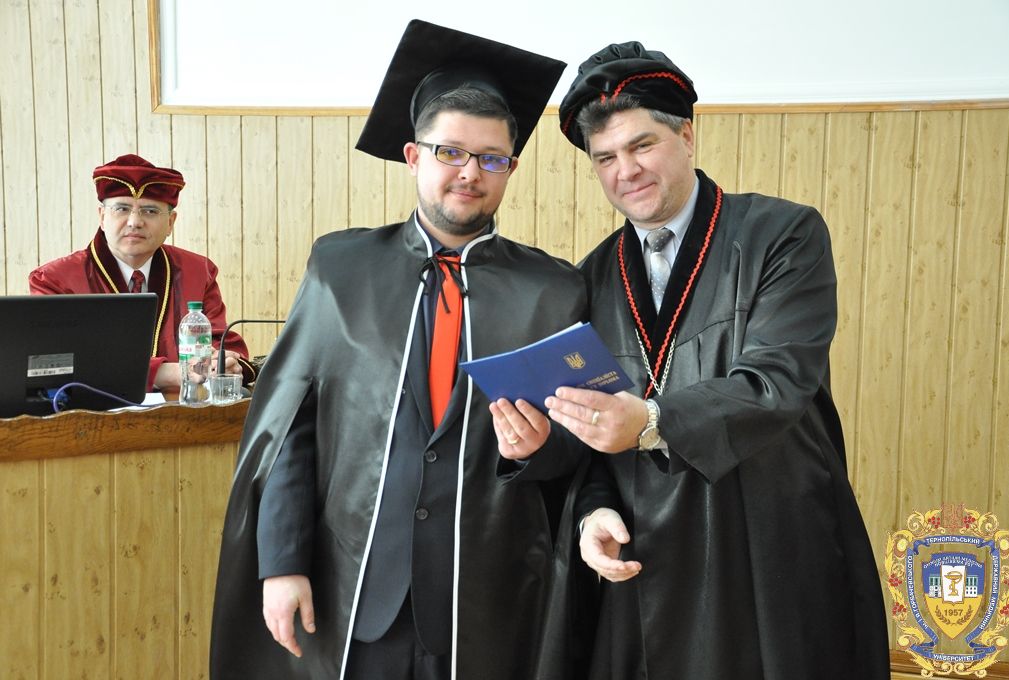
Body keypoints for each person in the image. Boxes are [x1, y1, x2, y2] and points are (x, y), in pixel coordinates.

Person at [209, 20, 588, 680]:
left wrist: (540, 448)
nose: (469, 172)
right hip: (356, 591)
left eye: (491, 158)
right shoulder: (341, 268)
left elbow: (580, 444)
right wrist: (282, 562)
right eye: (450, 152)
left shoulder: (553, 291)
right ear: (414, 156)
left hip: (487, 599)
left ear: (511, 168)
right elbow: (292, 430)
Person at [537, 42, 891, 679]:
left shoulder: (781, 235)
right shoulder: (589, 280)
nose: (626, 171)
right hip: (647, 558)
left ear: (687, 136)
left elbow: (776, 382)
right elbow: (593, 434)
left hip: (765, 543)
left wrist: (649, 421)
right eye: (605, 158)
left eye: (642, 145)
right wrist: (594, 509)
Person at [29, 154, 257, 389]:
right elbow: (52, 362)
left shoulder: (198, 272)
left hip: (183, 408)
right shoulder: (54, 280)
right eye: (122, 208)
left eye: (150, 211)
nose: (134, 222)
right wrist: (165, 373)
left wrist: (224, 363)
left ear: (170, 222)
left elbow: (223, 345)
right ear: (102, 217)